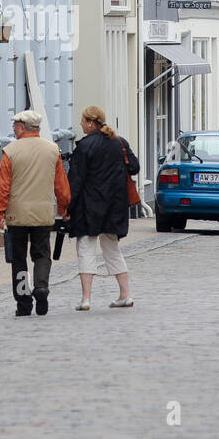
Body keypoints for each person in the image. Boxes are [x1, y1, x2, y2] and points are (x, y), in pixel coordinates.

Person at [0, 109, 70, 317]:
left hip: (17, 214)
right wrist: (63, 208)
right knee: (42, 253)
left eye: (15, 126)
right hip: (43, 213)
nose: (13, 129)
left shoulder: (11, 151)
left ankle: (24, 302)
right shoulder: (52, 150)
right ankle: (41, 287)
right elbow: (60, 185)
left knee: (18, 258)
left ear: (22, 127)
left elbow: (2, 186)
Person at [66, 105, 137, 311]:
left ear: (90, 122)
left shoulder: (85, 146)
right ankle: (126, 294)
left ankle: (86, 298)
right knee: (112, 250)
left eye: (82, 121)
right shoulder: (119, 142)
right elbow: (134, 167)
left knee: (86, 249)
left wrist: (67, 207)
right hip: (115, 206)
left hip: (90, 207)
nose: (80, 124)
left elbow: (76, 180)